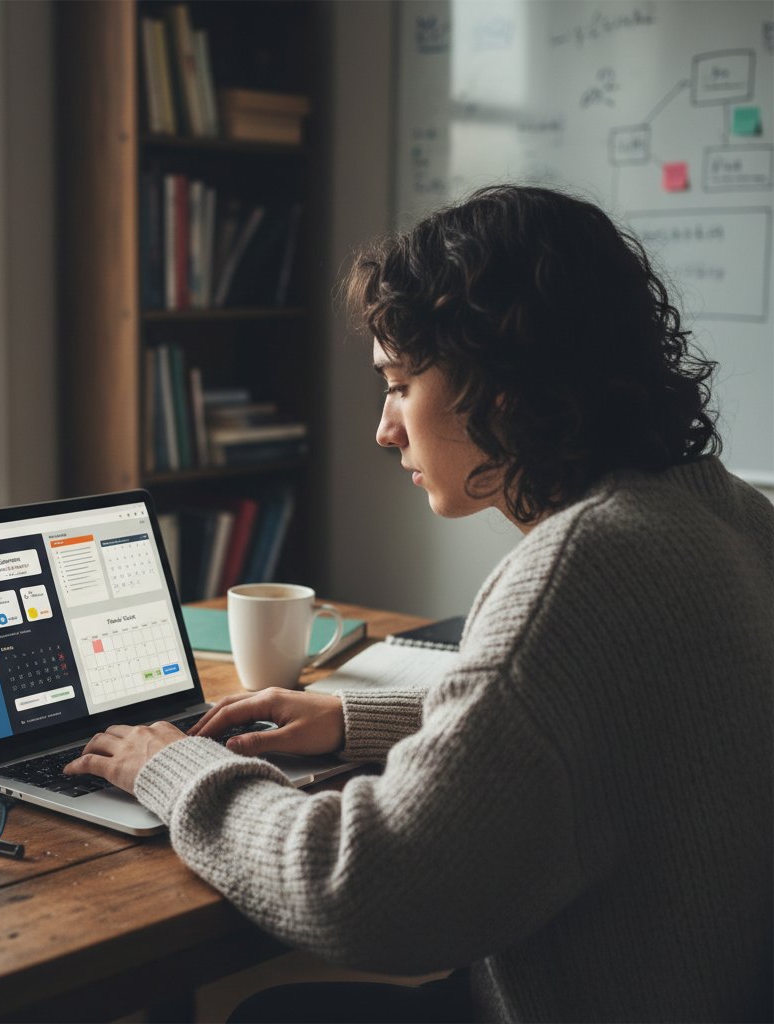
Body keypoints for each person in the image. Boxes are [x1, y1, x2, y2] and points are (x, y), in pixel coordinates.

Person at [66, 185, 773, 1022]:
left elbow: (364, 894)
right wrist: (356, 718)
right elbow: (612, 714)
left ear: (502, 384)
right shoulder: (729, 512)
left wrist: (175, 770)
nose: (384, 428)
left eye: (399, 383)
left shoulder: (580, 567)